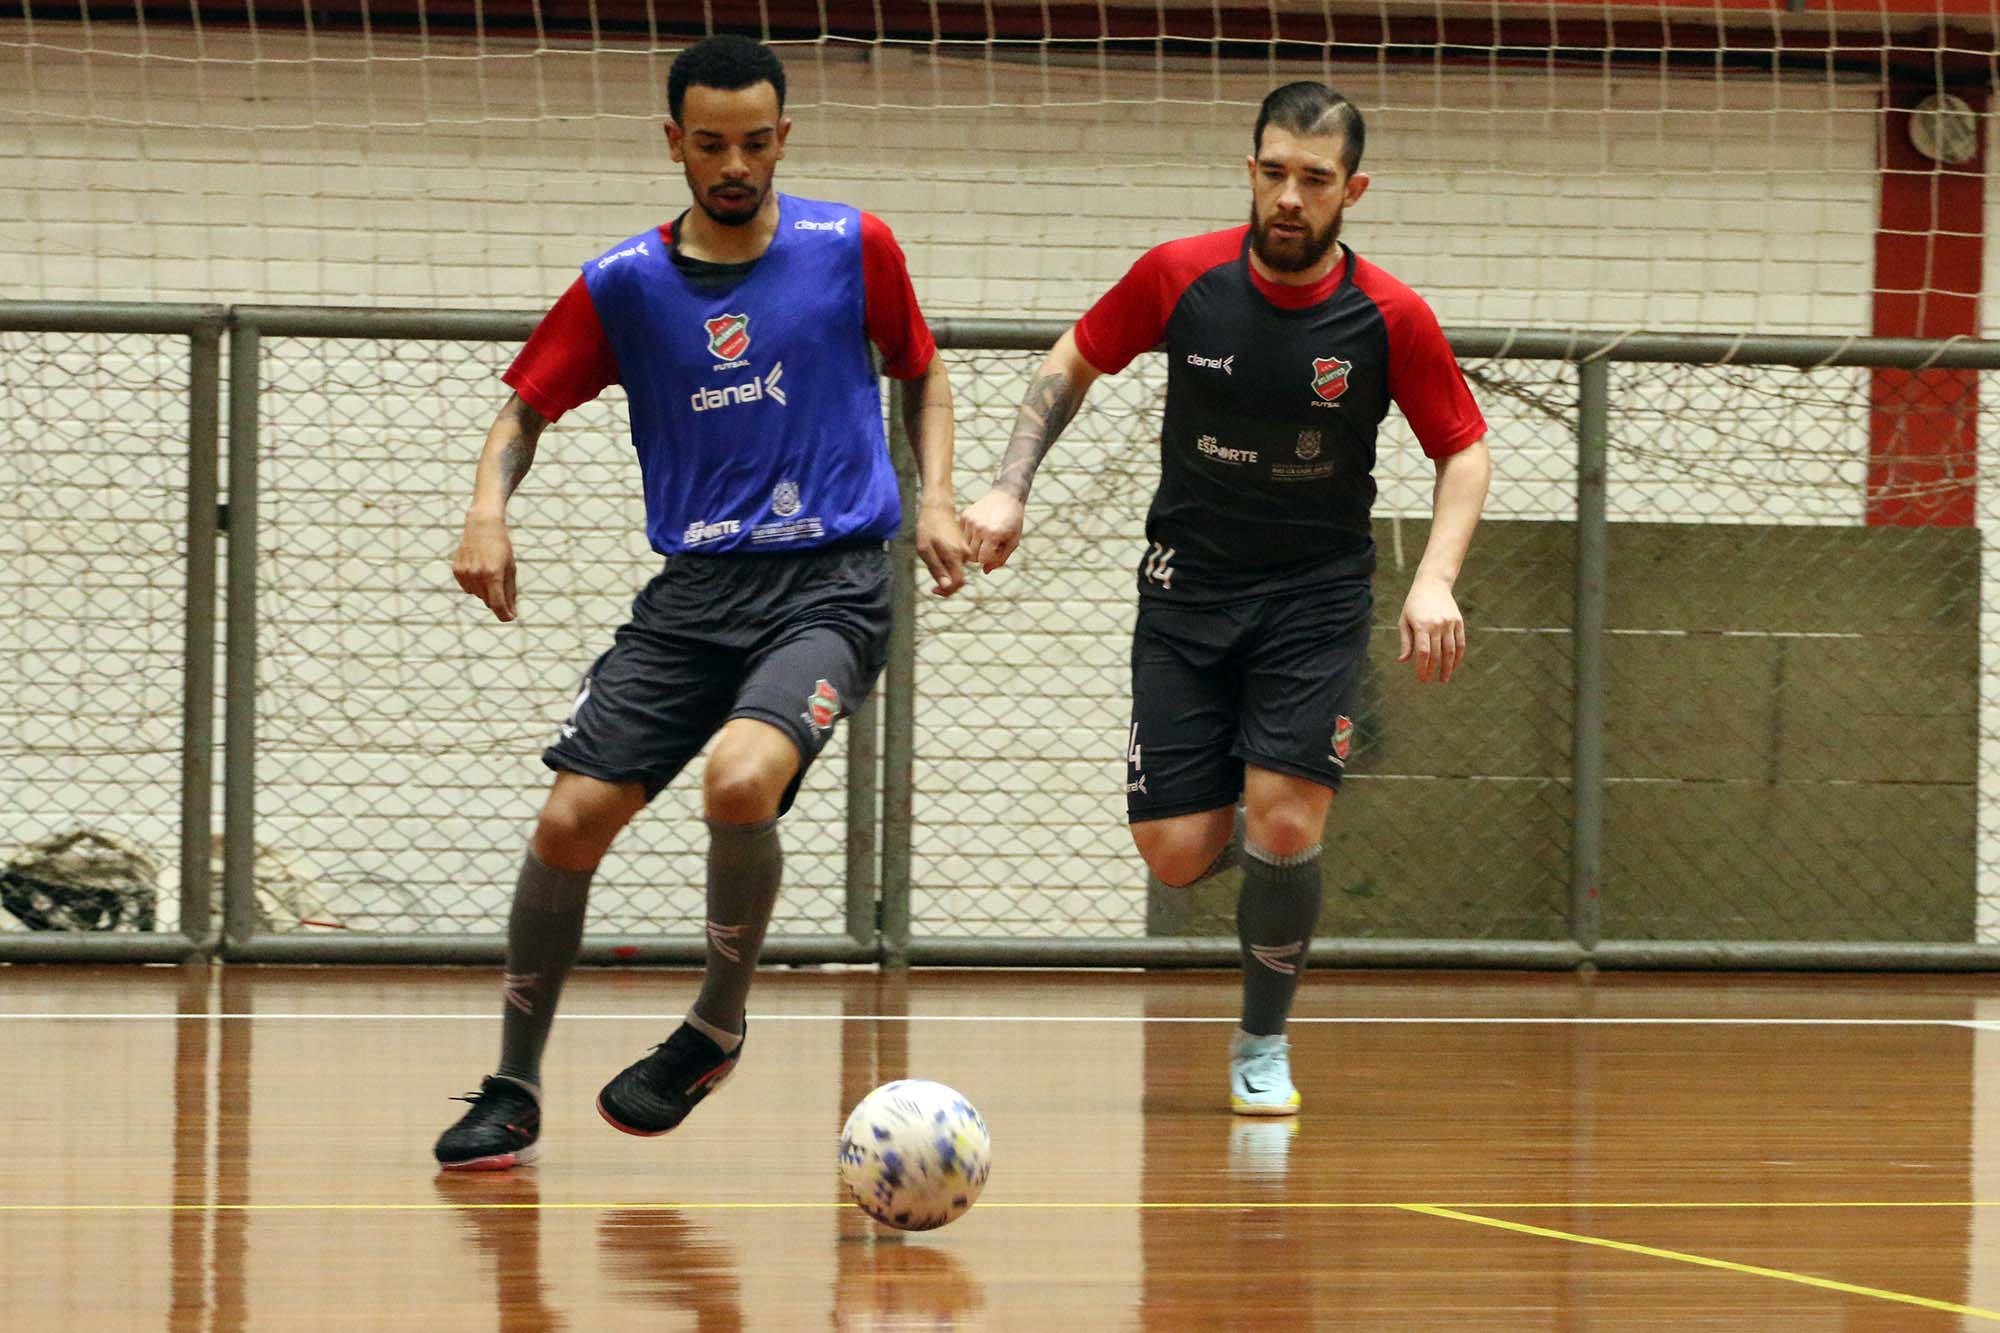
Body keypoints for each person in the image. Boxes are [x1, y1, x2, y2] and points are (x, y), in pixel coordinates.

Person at [436, 33, 966, 1170]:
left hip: (830, 583)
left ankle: (715, 1027)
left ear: (785, 138)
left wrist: (936, 499)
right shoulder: (624, 282)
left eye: (756, 143)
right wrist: (486, 509)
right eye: (712, 144)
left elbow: (920, 368)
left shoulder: (851, 245)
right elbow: (524, 409)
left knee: (738, 775)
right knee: (568, 821)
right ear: (674, 142)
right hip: (693, 597)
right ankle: (512, 1087)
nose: (735, 165)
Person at [960, 81, 1490, 1116]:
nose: (1291, 196)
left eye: (1315, 179)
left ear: (1352, 191)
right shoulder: (1178, 275)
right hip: (1186, 593)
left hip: (1313, 597)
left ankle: (1261, 1039)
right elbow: (1073, 359)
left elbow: (1462, 450)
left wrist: (1433, 578)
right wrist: (1009, 486)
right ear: (1249, 172)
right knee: (1175, 853)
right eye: (1275, 172)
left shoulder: (1389, 316)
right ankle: (1263, 820)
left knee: (1284, 819)